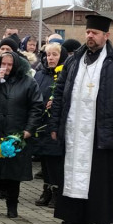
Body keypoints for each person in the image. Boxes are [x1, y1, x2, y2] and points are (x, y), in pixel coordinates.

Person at [50, 15, 113, 224]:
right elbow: (59, 93)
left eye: (95, 33)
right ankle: (72, 215)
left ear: (106, 35)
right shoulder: (73, 60)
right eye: (88, 32)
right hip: (73, 127)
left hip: (102, 129)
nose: (90, 36)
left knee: (100, 176)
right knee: (71, 171)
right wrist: (55, 124)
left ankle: (101, 218)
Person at [0, 51, 43, 219]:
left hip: (16, 132)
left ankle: (12, 206)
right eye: (3, 64)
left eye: (9, 65)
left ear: (16, 66)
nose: (6, 67)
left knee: (14, 173)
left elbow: (36, 107)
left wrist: (29, 129)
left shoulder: (28, 82)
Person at [32, 43, 68, 208]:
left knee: (55, 160)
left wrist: (58, 102)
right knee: (45, 159)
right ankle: (46, 189)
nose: (51, 58)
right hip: (42, 123)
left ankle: (57, 192)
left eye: (55, 54)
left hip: (57, 124)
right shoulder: (40, 74)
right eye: (48, 55)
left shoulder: (65, 74)